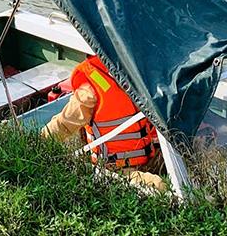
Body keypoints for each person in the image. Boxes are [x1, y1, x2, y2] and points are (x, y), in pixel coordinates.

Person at [42, 55, 166, 190]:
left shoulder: (140, 73)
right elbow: (63, 124)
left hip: (152, 156)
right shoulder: (90, 89)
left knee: (184, 169)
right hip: (116, 169)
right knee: (159, 186)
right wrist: (39, 144)